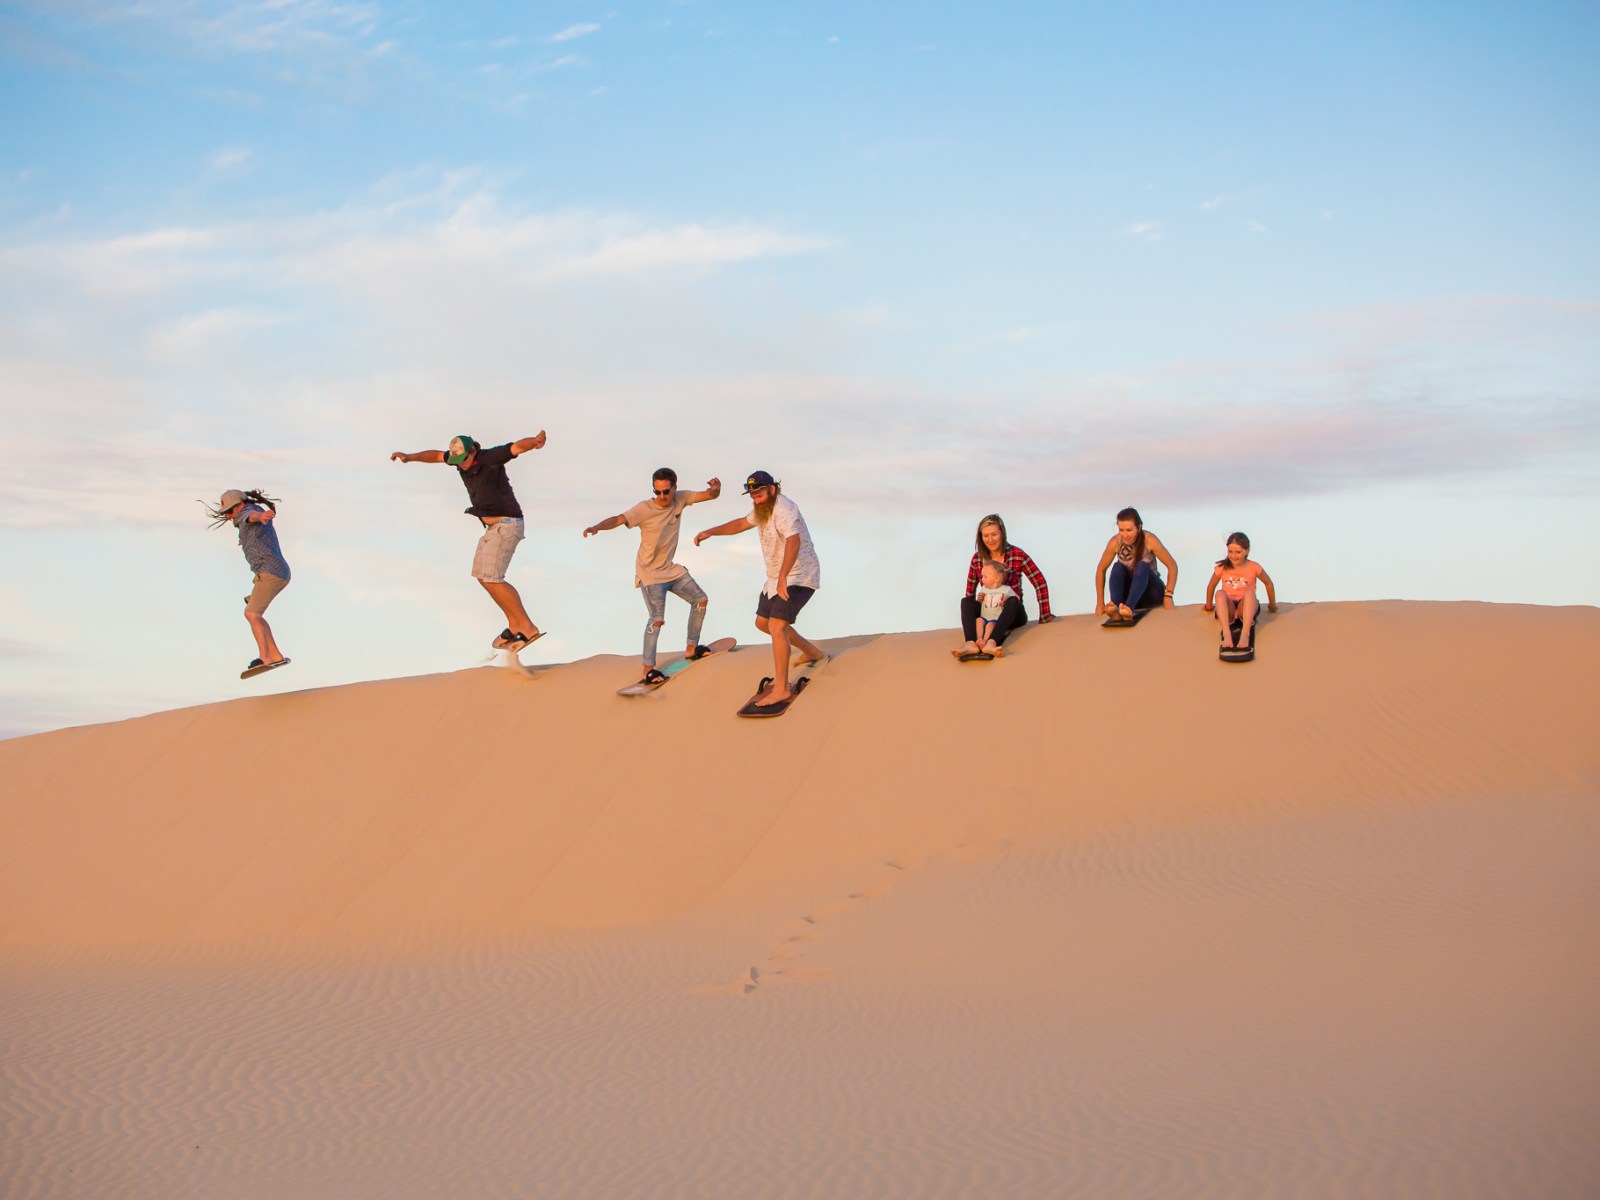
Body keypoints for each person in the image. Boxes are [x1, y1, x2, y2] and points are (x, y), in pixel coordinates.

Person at [391, 432, 548, 652]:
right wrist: (410, 456)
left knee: (493, 579)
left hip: (508, 524)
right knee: (483, 578)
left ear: (472, 451)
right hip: (494, 527)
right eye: (456, 462)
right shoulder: (457, 459)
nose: (461, 467)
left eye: (463, 460)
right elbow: (436, 456)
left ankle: (528, 627)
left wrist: (534, 442)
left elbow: (515, 448)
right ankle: (515, 626)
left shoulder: (489, 458)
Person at [693, 470, 823, 707]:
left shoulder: (785, 510)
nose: (756, 498)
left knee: (777, 625)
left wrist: (784, 576)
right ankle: (812, 652)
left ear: (772, 489)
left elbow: (794, 542)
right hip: (776, 577)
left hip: (799, 575)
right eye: (752, 495)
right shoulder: (762, 509)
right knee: (763, 623)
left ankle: (782, 689)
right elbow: (742, 523)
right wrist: (712, 531)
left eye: (760, 493)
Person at [583, 468, 722, 686]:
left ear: (674, 488)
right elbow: (620, 519)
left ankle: (692, 648)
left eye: (666, 492)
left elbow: (709, 496)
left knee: (700, 600)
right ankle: (647, 669)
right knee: (657, 619)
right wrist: (597, 527)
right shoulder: (644, 509)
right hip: (650, 574)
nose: (662, 497)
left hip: (670, 569)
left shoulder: (681, 499)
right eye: (657, 492)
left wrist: (715, 489)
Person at [205, 488, 291, 677]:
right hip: (273, 572)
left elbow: (251, 516)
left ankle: (265, 657)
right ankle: (275, 655)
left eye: (229, 512)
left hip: (271, 572)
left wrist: (261, 517)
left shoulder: (248, 512)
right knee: (255, 614)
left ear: (240, 505)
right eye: (225, 513)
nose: (228, 516)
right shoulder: (245, 517)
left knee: (251, 614)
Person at [952, 513, 1053, 658]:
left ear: (1002, 533)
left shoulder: (1017, 554)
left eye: (994, 534)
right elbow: (970, 590)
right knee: (966, 601)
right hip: (987, 614)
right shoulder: (977, 559)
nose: (990, 539)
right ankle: (970, 643)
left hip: (1011, 615)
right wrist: (974, 613)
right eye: (985, 536)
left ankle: (992, 643)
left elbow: (1039, 581)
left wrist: (1045, 615)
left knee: (1013, 601)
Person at [1093, 506, 1179, 622]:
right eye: (1121, 530)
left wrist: (1168, 595)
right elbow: (1100, 570)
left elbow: (1172, 565)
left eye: (1129, 530)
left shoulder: (1149, 540)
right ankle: (1117, 609)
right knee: (1117, 567)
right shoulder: (1115, 542)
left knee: (1142, 566)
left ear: (1139, 527)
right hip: (1128, 594)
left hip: (1150, 593)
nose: (1124, 535)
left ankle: (1129, 609)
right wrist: (1100, 602)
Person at [1203, 531, 1277, 650]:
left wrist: (1272, 605)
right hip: (1229, 608)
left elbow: (1268, 583)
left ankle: (1245, 633)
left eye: (1238, 552)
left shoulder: (1254, 567)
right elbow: (1211, 586)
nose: (1234, 556)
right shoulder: (1222, 567)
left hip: (1246, 606)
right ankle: (1226, 633)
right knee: (1220, 593)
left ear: (1247, 551)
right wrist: (1208, 606)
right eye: (1230, 552)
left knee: (1249, 593)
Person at [973, 559, 1019, 655]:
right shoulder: (984, 589)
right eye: (982, 576)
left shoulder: (1006, 589)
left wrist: (1007, 598)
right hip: (984, 617)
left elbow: (1016, 600)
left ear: (997, 578)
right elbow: (980, 602)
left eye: (985, 576)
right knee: (978, 621)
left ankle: (985, 642)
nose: (982, 579)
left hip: (995, 619)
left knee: (990, 626)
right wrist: (979, 599)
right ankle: (979, 640)